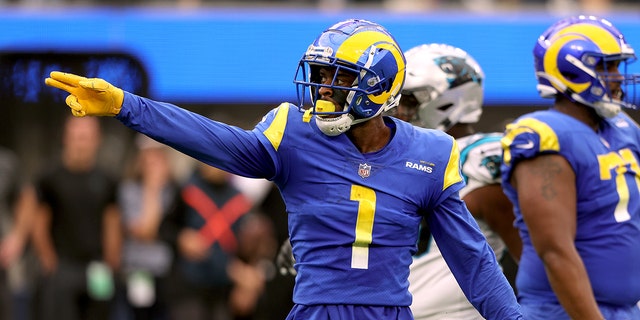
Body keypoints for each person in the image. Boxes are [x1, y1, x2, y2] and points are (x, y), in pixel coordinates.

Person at [44, 19, 522, 319]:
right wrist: (127, 105)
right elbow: (210, 139)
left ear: (376, 87)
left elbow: (474, 261)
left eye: (339, 79)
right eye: (320, 77)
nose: (323, 90)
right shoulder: (295, 133)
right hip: (314, 311)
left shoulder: (433, 153)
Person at [500, 15, 640, 319]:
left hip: (626, 309)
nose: (617, 77)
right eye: (608, 66)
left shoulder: (623, 129)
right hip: (562, 311)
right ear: (572, 70)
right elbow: (554, 250)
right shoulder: (545, 135)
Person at [396, 43, 522, 319]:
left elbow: (534, 261)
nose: (396, 110)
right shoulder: (399, 158)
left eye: (408, 100)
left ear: (449, 100)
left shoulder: (478, 160)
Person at [30, 116, 122, 320]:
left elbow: (112, 222)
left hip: (98, 268)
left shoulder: (107, 180)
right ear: (66, 138)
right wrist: (49, 263)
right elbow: (39, 223)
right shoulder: (50, 178)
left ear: (97, 140)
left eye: (87, 137)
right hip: (63, 267)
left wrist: (111, 261)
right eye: (77, 137)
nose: (82, 143)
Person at [159, 161, 274, 320]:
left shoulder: (239, 200)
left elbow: (253, 247)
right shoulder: (187, 190)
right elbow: (164, 229)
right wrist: (181, 238)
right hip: (188, 285)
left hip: (222, 291)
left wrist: (249, 282)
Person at [113, 134, 178, 320]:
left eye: (159, 157)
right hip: (137, 271)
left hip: (166, 273)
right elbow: (146, 231)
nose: (153, 163)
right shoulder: (128, 190)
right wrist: (152, 189)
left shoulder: (173, 192)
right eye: (149, 157)